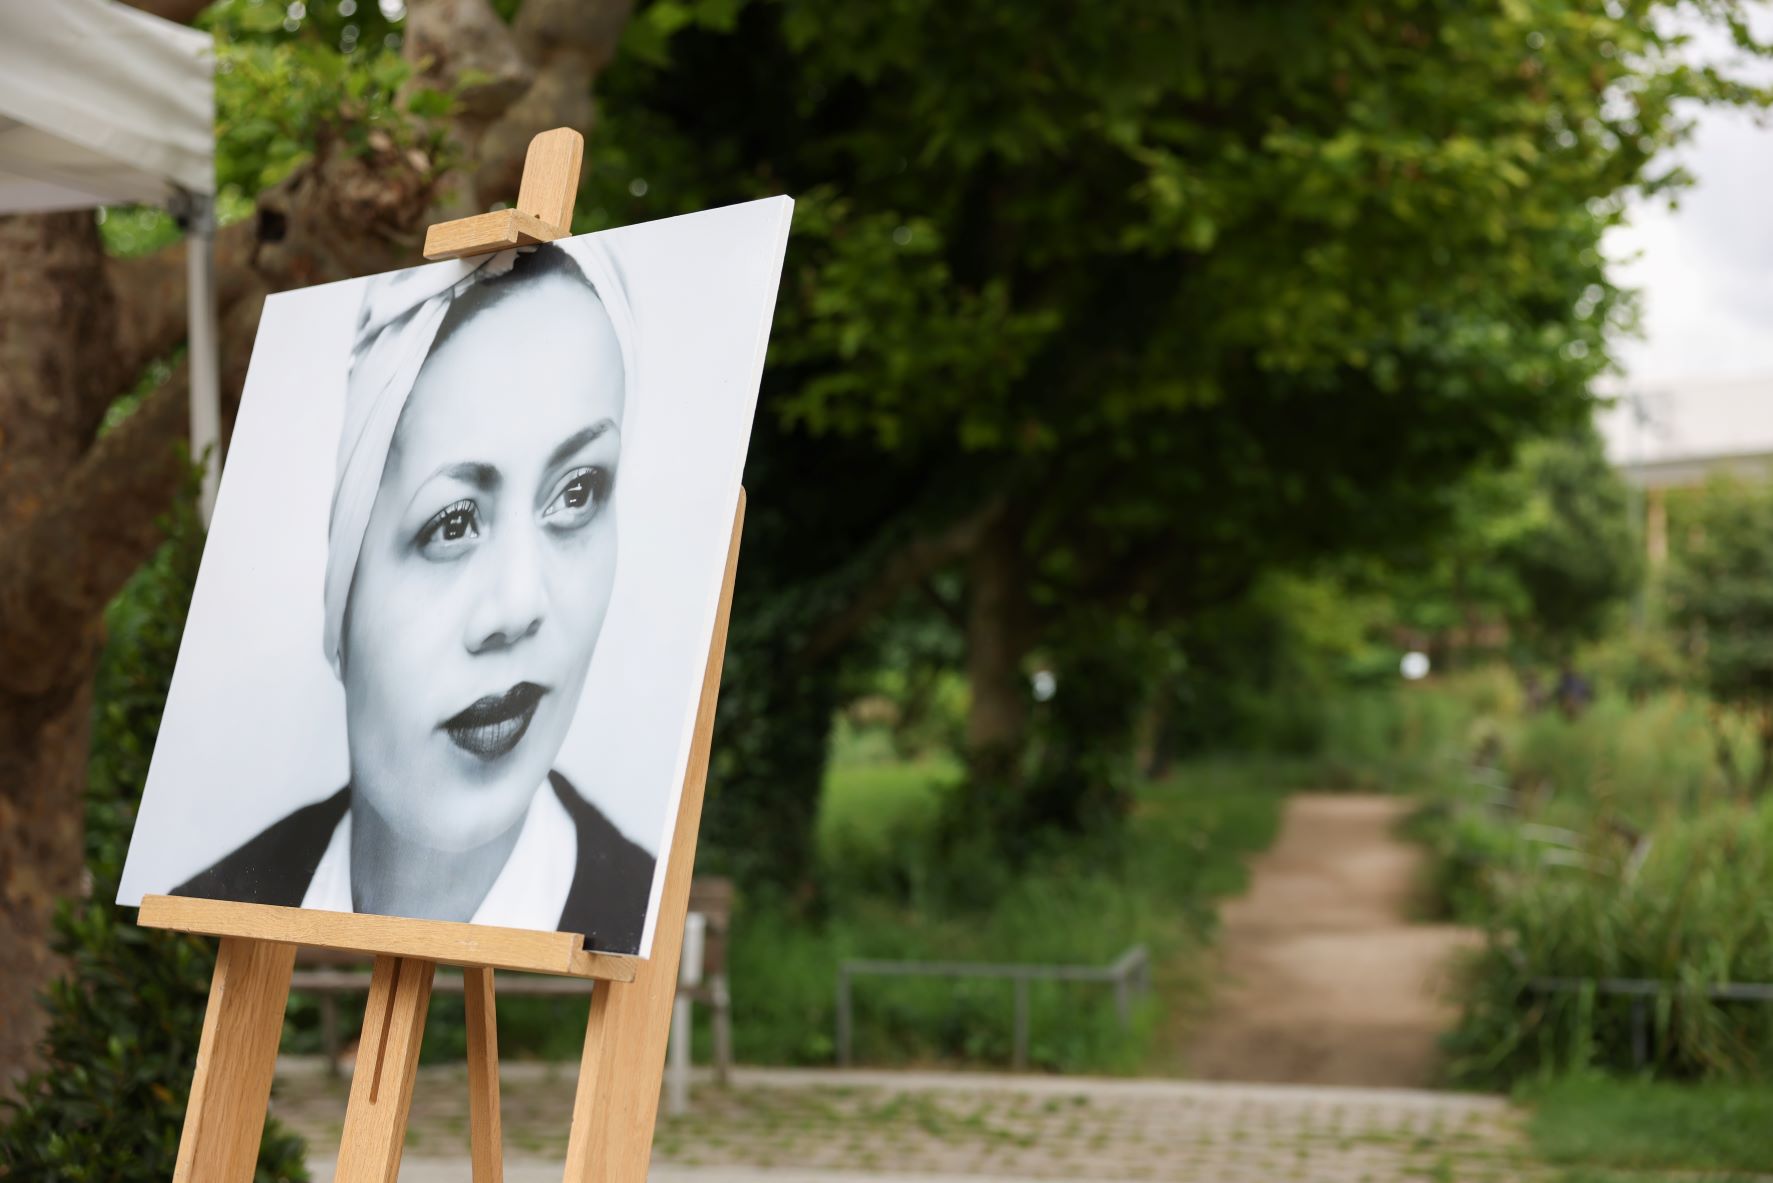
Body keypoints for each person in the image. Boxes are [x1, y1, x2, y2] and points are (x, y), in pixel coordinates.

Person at [176, 243, 654, 954]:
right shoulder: (224, 899)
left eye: (576, 492)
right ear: (344, 579)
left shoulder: (635, 910)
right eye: (453, 521)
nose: (518, 604)